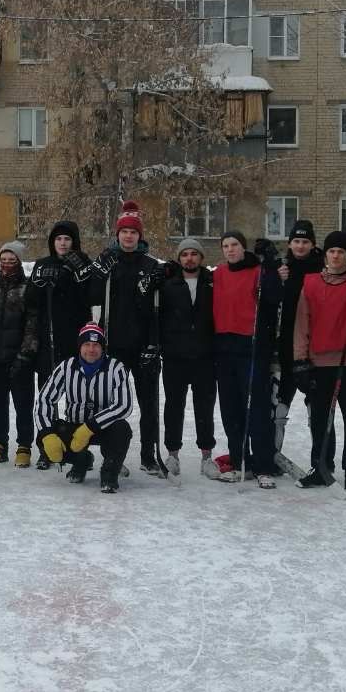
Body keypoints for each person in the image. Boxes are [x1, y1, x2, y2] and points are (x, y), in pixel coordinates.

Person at [291, 231, 346, 492]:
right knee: (319, 419)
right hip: (320, 362)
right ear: (325, 253)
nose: (336, 255)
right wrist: (300, 360)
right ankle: (320, 466)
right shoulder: (311, 282)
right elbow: (302, 323)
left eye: (341, 251)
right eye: (332, 251)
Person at [88, 200, 163, 471]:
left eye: (133, 232)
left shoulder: (151, 265)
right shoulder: (109, 262)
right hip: (114, 345)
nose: (128, 236)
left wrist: (154, 344)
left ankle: (148, 455)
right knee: (110, 404)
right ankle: (113, 456)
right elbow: (92, 298)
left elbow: (159, 308)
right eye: (124, 232)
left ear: (139, 236)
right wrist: (98, 273)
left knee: (149, 405)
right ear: (117, 235)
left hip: (143, 346)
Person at [22, 220, 96, 466]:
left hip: (75, 341)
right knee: (47, 395)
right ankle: (47, 446)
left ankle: (76, 446)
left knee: (78, 396)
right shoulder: (43, 265)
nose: (62, 243)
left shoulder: (82, 263)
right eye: (58, 239)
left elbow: (90, 296)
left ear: (74, 241)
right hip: (48, 340)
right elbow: (31, 301)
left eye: (67, 239)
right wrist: (41, 286)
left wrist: (72, 276)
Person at [34, 322, 134, 493]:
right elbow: (44, 399)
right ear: (80, 347)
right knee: (44, 438)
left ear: (103, 348)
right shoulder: (66, 367)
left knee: (122, 429)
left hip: (105, 428)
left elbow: (123, 406)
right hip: (74, 427)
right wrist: (47, 434)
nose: (91, 349)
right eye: (86, 345)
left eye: (96, 345)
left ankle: (109, 472)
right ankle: (81, 460)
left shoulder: (116, 368)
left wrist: (91, 426)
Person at [203, 234, 271, 485]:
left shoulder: (257, 270)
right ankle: (240, 460)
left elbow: (274, 295)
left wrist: (270, 262)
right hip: (223, 346)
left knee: (256, 409)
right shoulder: (218, 273)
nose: (230, 250)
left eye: (235, 245)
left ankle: (263, 465)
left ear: (243, 248)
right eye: (226, 246)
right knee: (230, 409)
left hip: (249, 345)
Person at [158, 237, 218, 481]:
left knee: (205, 407)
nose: (189, 258)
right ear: (179, 258)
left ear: (201, 258)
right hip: (175, 357)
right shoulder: (169, 284)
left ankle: (207, 456)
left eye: (194, 254)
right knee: (174, 406)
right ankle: (173, 454)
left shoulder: (212, 283)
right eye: (185, 254)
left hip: (205, 356)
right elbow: (159, 317)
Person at [274, 219, 327, 470]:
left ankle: (321, 462)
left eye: (305, 241)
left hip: (312, 348)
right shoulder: (282, 269)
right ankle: (272, 455)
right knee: (279, 404)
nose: (300, 245)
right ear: (289, 243)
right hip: (284, 347)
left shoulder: (322, 271)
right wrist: (274, 276)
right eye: (296, 241)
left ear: (313, 244)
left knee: (316, 407)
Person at [0, 241, 35, 467]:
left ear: (19, 262)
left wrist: (25, 354)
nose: (7, 264)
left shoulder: (27, 288)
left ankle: (24, 446)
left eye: (12, 261)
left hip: (19, 356)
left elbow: (33, 323)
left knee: (23, 403)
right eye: (3, 260)